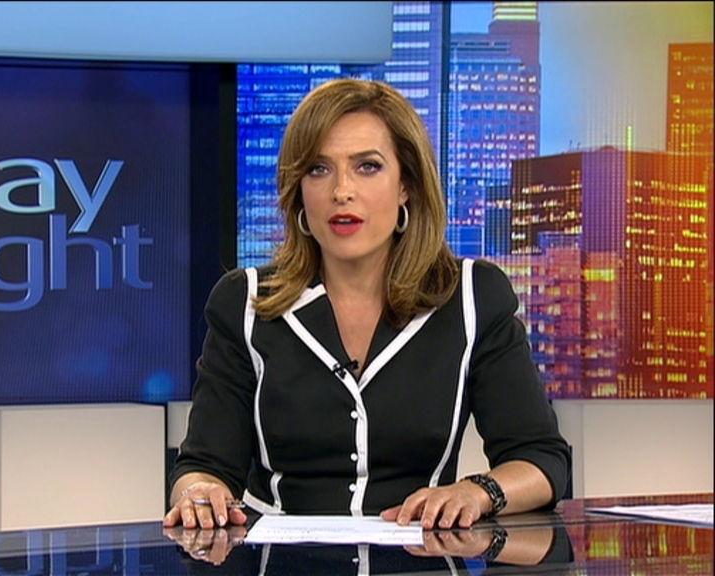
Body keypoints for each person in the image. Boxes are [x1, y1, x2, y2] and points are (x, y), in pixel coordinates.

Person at [163, 77, 572, 532]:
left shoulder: (473, 296)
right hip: (279, 559)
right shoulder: (246, 302)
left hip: (420, 554)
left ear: (406, 185)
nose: (342, 191)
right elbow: (202, 466)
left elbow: (542, 460)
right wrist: (198, 494)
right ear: (298, 189)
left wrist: (477, 492)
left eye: (367, 167)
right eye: (318, 169)